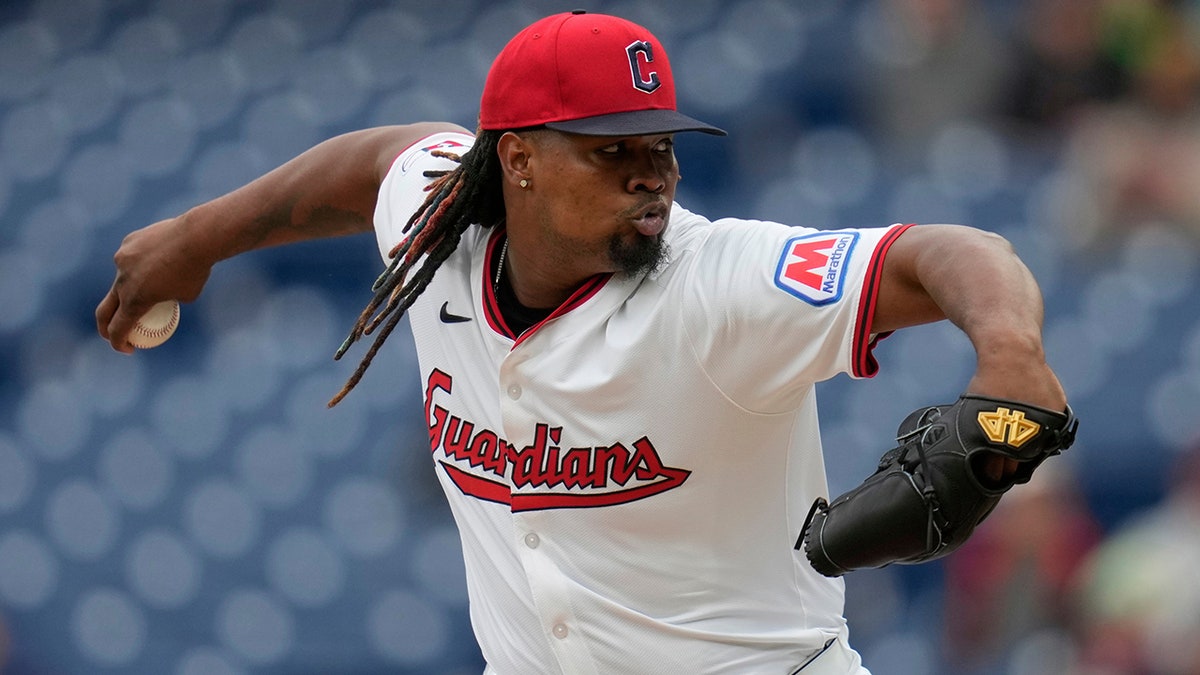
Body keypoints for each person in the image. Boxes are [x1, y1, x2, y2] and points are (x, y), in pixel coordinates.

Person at [96, 11, 1068, 674]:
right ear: (515, 159)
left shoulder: (720, 282)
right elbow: (371, 165)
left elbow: (956, 252)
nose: (652, 175)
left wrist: (1012, 370)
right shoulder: (443, 222)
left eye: (661, 146)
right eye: (614, 150)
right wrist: (196, 239)